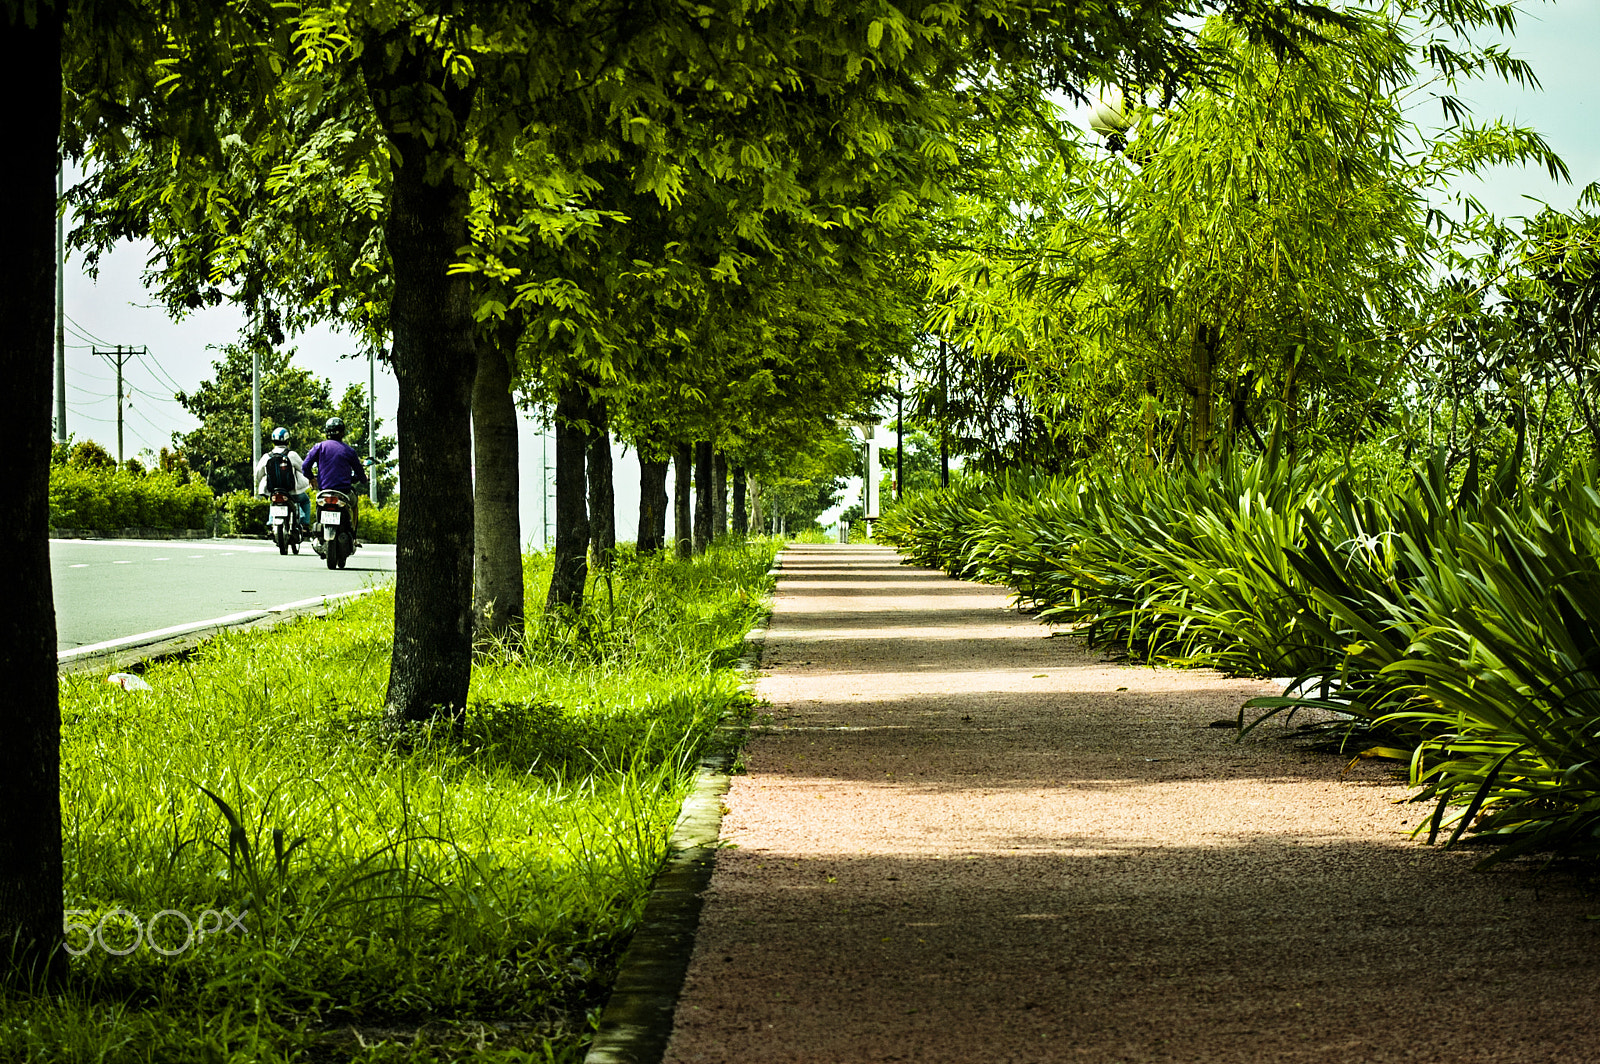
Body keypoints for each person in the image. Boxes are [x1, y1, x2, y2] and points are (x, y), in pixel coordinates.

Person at [302, 417, 369, 540]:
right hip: (344, 493)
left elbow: (305, 466)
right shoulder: (349, 450)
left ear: (327, 432)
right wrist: (364, 479)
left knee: (318, 506)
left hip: (324, 492)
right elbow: (360, 473)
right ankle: (353, 536)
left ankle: (318, 533)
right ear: (342, 432)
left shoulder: (319, 447)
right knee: (354, 504)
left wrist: (311, 478)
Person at [253, 427, 312, 531]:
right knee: (305, 501)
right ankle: (305, 524)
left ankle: (271, 522)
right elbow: (303, 469)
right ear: (287, 440)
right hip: (292, 491)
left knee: (273, 501)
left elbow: (258, 474)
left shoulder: (266, 456)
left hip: (274, 490)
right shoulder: (292, 455)